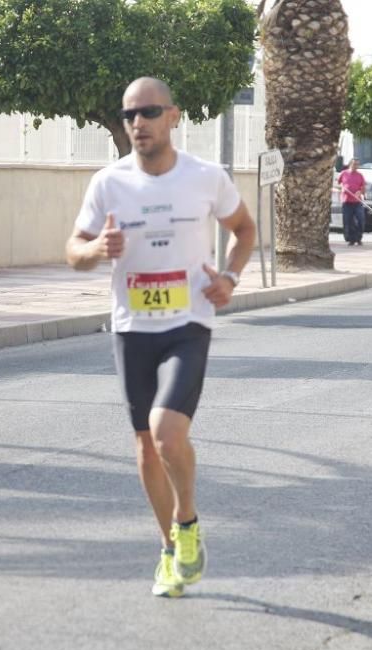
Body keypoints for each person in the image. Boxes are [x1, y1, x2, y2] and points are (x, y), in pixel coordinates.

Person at [65, 77, 256, 598]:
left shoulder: (206, 177)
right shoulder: (108, 183)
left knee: (167, 432)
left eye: (148, 112)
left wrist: (231, 279)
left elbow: (245, 229)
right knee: (146, 449)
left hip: (187, 323)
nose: (137, 123)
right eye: (129, 115)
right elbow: (73, 251)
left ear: (172, 116)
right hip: (132, 327)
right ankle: (170, 550)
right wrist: (97, 249)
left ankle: (188, 522)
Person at [337, 158, 367, 245]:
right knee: (348, 221)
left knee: (361, 219)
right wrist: (342, 188)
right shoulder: (344, 173)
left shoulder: (360, 175)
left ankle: (358, 238)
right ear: (350, 164)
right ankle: (351, 239)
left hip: (357, 202)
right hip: (346, 201)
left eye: (357, 165)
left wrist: (360, 192)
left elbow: (363, 188)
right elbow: (337, 184)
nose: (355, 166)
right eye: (354, 164)